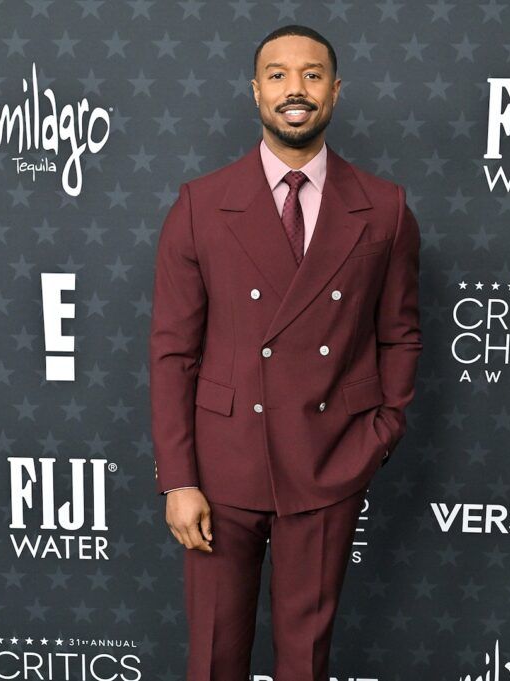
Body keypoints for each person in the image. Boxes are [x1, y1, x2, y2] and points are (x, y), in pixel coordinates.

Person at [149, 23, 422, 681]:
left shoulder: (384, 208)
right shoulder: (200, 205)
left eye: (311, 74)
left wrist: (380, 431)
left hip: (330, 457)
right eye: (277, 75)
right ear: (255, 90)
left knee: (305, 660)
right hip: (222, 464)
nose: (294, 89)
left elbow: (399, 333)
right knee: (214, 656)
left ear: (335, 90)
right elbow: (172, 352)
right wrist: (179, 479)